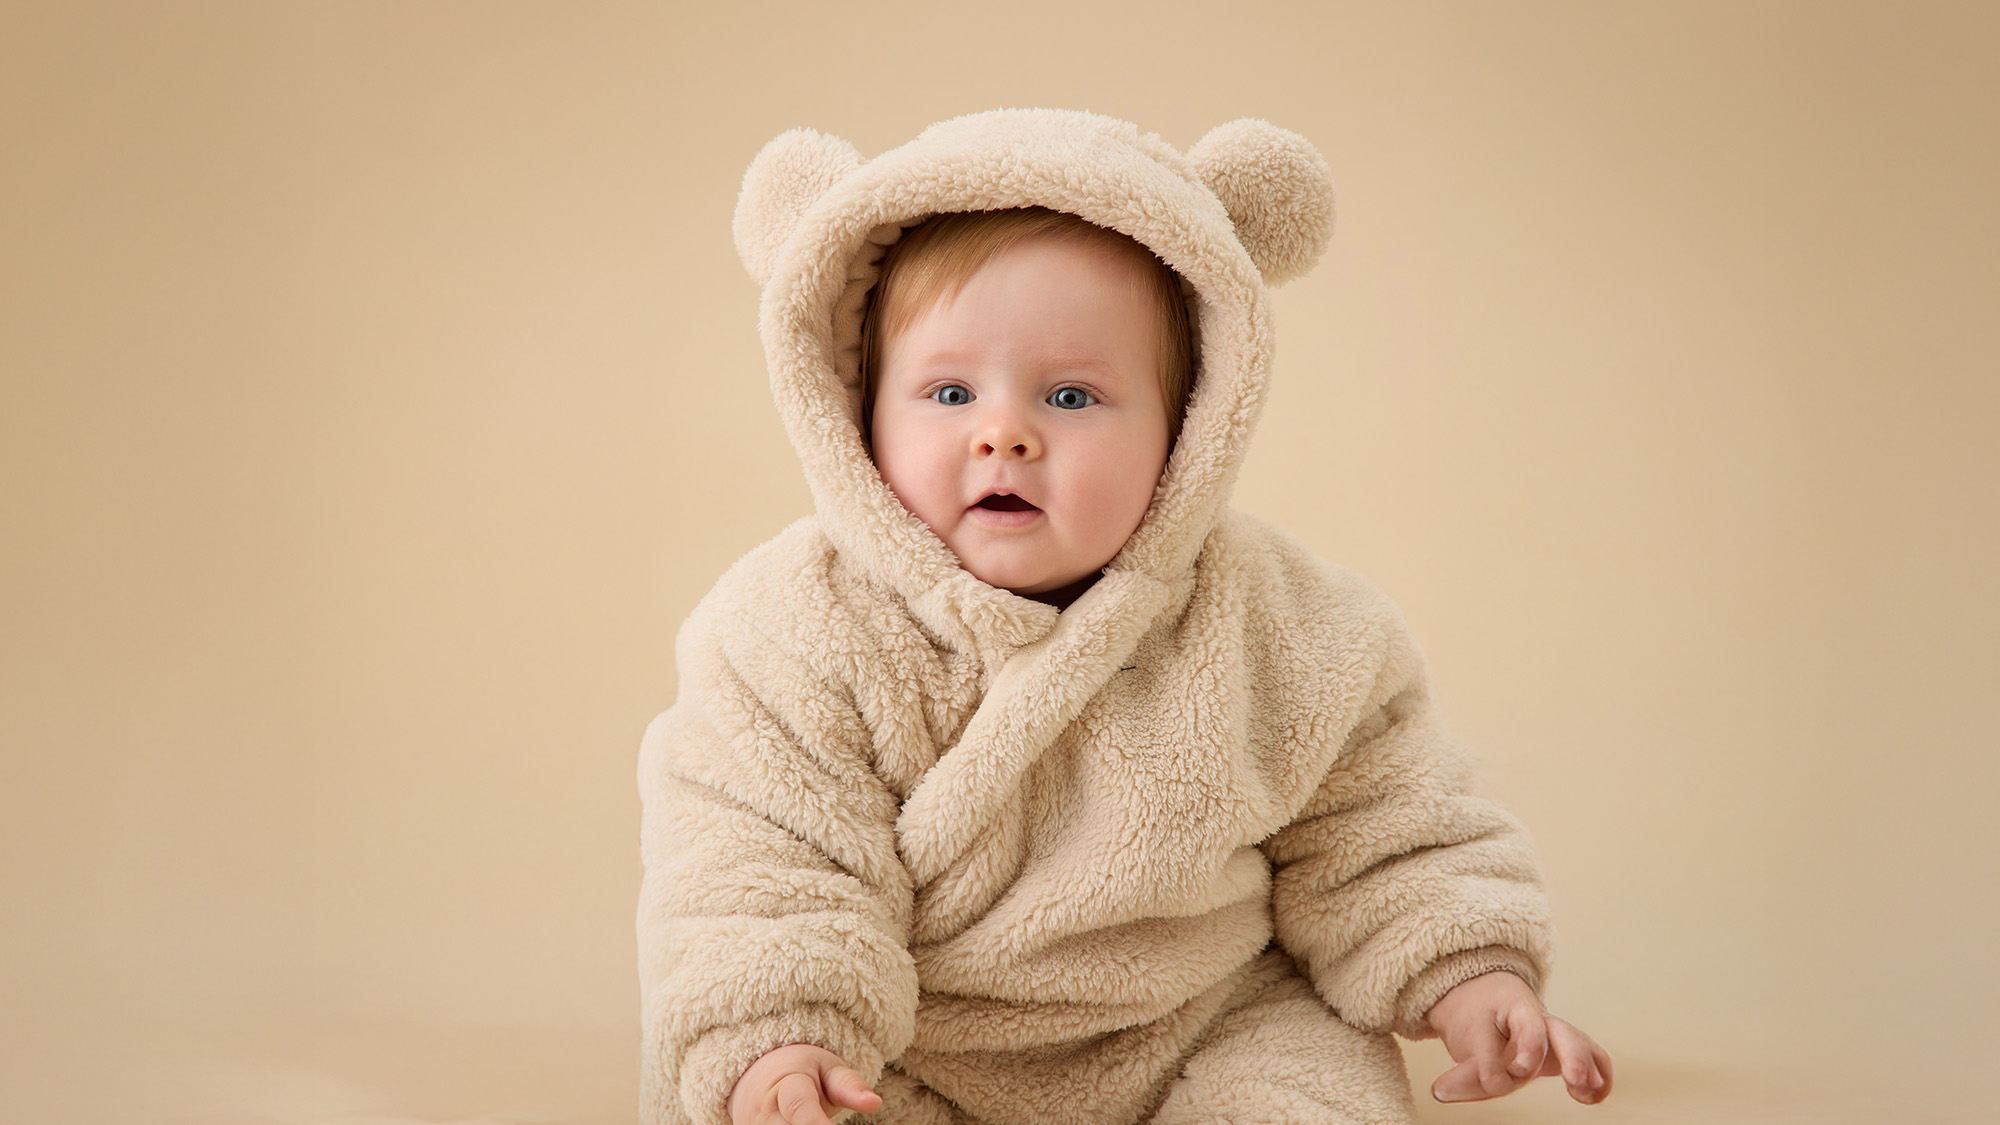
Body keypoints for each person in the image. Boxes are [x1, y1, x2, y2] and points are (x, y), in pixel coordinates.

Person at [639, 109, 1612, 1125]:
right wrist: (782, 1035)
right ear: (856, 414)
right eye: (947, 390)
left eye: (1069, 396)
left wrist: (1464, 973)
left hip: (1201, 1020)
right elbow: (757, 865)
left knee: (1310, 1090)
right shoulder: (787, 628)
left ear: (1188, 431)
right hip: (911, 1039)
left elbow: (1386, 827)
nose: (1002, 435)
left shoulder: (1289, 622)